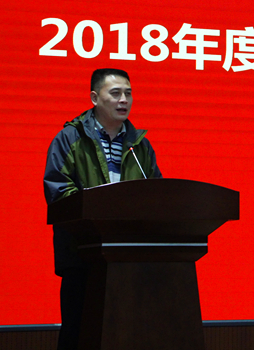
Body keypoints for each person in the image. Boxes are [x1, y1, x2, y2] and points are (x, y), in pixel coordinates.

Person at [43, 68, 162, 350]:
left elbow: (156, 194)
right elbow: (59, 192)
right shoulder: (69, 139)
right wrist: (97, 222)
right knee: (79, 334)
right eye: (116, 93)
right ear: (95, 98)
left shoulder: (140, 146)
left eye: (128, 94)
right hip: (83, 256)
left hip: (129, 259)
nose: (124, 100)